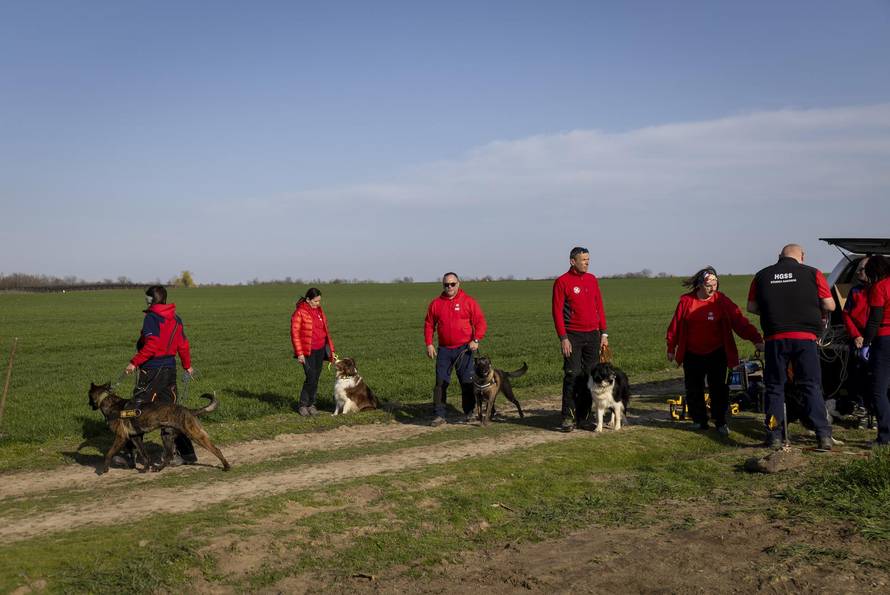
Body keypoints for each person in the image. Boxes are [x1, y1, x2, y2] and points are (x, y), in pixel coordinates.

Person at [747, 244, 835, 450]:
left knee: (774, 387)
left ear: (779, 256)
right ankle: (823, 435)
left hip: (776, 338)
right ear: (801, 256)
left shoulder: (761, 275)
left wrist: (773, 313)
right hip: (805, 339)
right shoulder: (813, 273)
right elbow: (830, 305)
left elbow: (751, 307)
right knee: (810, 385)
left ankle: (774, 435)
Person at [666, 267, 764, 436]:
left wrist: (756, 339)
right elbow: (675, 326)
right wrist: (670, 347)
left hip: (717, 353)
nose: (713, 288)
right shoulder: (686, 301)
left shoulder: (722, 301)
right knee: (693, 388)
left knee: (719, 388)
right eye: (708, 284)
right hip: (692, 353)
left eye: (715, 283)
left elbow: (739, 322)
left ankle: (720, 421)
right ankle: (699, 420)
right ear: (699, 285)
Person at [119, 285, 196, 467]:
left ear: (151, 300)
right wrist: (187, 366)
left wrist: (134, 362)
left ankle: (127, 454)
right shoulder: (177, 319)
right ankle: (186, 454)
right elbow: (183, 345)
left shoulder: (152, 318)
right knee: (171, 412)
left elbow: (152, 345)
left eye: (147, 299)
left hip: (152, 372)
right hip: (170, 371)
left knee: (135, 410)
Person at [552, 247, 608, 432]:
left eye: (588, 259)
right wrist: (563, 338)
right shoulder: (562, 282)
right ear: (572, 261)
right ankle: (568, 417)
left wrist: (604, 333)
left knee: (589, 377)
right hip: (573, 336)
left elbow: (599, 305)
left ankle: (584, 417)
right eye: (583, 259)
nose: (587, 262)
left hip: (593, 335)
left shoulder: (592, 280)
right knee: (572, 375)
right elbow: (557, 312)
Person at [424, 272, 487, 426]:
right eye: (446, 284)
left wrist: (476, 339)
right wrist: (429, 343)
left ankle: (469, 412)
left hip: (464, 349)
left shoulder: (468, 301)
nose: (449, 287)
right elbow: (429, 324)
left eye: (452, 284)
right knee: (441, 383)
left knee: (466, 382)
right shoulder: (436, 304)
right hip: (444, 350)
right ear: (443, 285)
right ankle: (439, 415)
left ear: (458, 284)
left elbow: (480, 323)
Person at [290, 288, 335, 416]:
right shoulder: (299, 313)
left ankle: (312, 404)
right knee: (310, 377)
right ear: (308, 300)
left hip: (320, 349)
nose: (318, 304)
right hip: (307, 352)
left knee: (316, 378)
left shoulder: (319, 311)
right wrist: (299, 353)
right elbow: (295, 334)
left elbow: (325, 331)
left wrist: (330, 348)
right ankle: (303, 405)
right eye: (315, 301)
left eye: (319, 301)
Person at [862, 255, 890, 446]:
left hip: (884, 339)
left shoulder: (879, 288)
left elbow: (874, 320)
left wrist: (866, 343)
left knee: (879, 390)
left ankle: (885, 436)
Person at [841, 257, 872, 420]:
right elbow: (846, 315)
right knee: (857, 374)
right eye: (858, 269)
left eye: (862, 269)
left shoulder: (884, 289)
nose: (858, 272)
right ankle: (861, 408)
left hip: (880, 339)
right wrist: (856, 335)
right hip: (858, 340)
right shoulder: (855, 291)